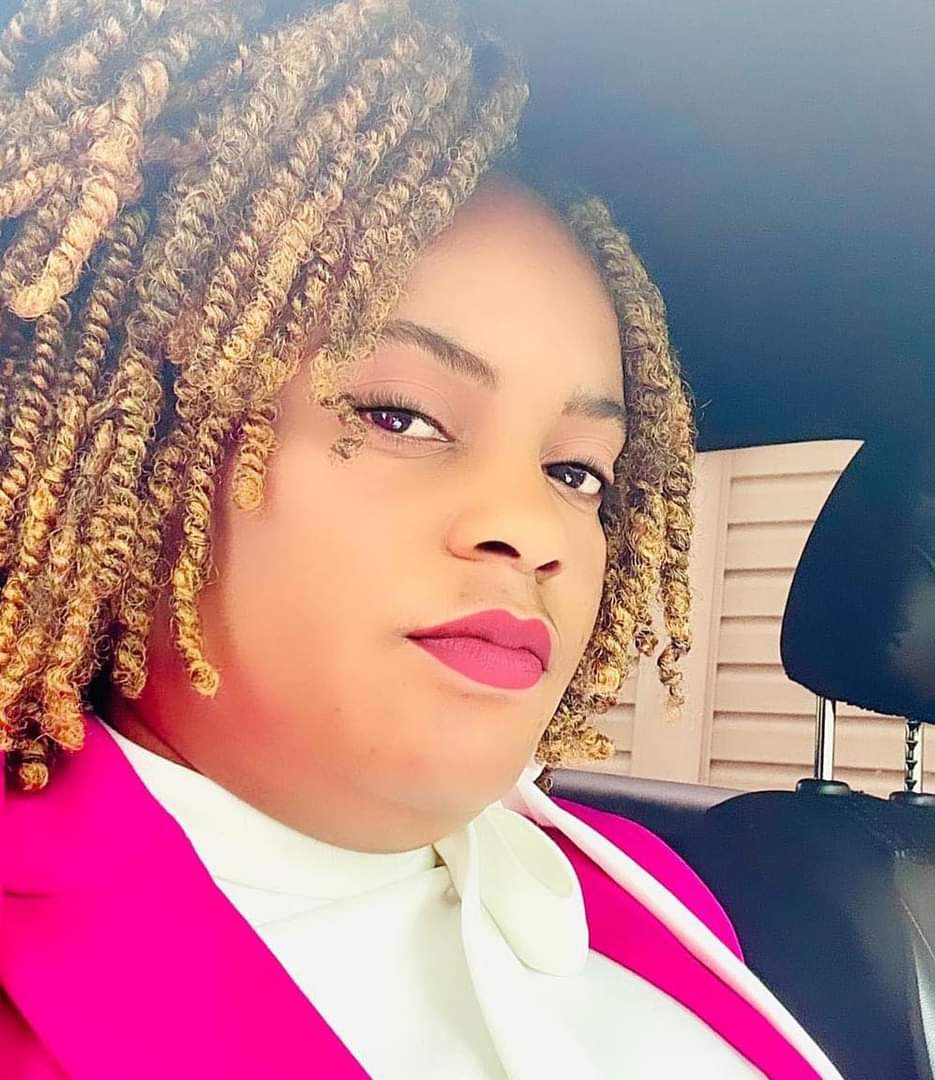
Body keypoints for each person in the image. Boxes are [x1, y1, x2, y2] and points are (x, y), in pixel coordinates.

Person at [0, 1, 842, 1077]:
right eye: (400, 417)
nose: (530, 531)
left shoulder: (637, 890)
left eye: (576, 472)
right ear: (135, 444)